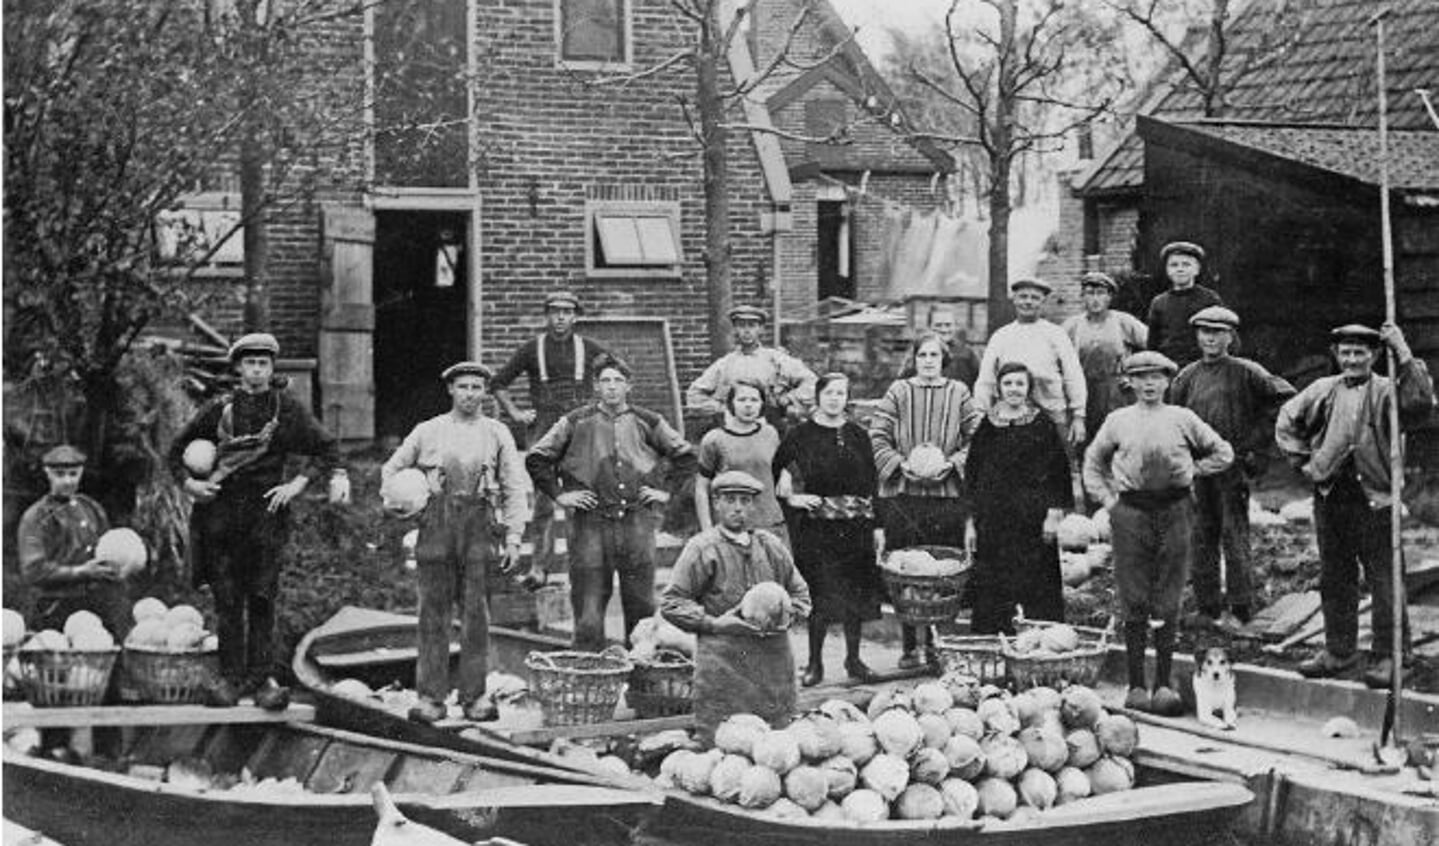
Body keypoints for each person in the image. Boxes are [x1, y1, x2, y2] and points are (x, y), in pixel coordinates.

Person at [171, 333, 349, 706]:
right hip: (220, 519)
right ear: (238, 368)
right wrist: (191, 486)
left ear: (272, 368)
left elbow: (327, 448)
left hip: (265, 518)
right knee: (228, 601)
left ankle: (263, 680)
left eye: (264, 363)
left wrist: (297, 485)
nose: (257, 370)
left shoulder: (286, 410)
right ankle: (231, 679)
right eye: (250, 363)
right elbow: (174, 452)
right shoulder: (219, 409)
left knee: (263, 598)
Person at [1276, 323, 1435, 688]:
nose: (1351, 359)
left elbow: (1421, 403)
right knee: (1335, 577)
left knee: (1384, 580)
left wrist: (1405, 353)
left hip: (1376, 499)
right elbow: (1287, 420)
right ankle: (1339, 651)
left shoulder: (1387, 390)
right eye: (1345, 353)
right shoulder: (1322, 391)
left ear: (1374, 355)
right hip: (1332, 496)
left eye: (1359, 353)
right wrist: (1304, 463)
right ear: (1336, 355)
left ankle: (1392, 656)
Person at [381, 361, 531, 724]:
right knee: (433, 614)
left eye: (477, 388)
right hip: (437, 525)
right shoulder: (428, 430)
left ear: (484, 392)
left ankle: (475, 697)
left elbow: (514, 485)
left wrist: (513, 536)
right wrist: (408, 501)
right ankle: (431, 698)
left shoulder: (497, 433)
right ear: (450, 390)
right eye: (462, 387)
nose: (469, 394)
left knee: (476, 614)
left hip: (479, 525)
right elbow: (391, 471)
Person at [1084, 351, 1233, 716]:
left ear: (1168, 382)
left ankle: (1164, 683)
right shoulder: (1118, 420)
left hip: (1175, 510)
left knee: (1168, 594)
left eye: (1157, 377)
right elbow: (1092, 463)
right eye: (1141, 377)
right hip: (1131, 511)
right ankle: (1136, 684)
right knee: (1134, 594)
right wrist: (1108, 502)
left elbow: (1223, 452)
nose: (1149, 384)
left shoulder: (1183, 418)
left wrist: (1192, 470)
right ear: (1129, 383)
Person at [527, 354, 697, 651]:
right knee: (589, 610)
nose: (612, 387)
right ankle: (589, 684)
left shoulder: (648, 421)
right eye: (605, 380)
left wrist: (666, 493)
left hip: (636, 525)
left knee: (641, 608)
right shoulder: (576, 420)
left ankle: (641, 685)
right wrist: (560, 495)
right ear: (596, 386)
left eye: (618, 381)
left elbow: (686, 458)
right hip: (589, 525)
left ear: (629, 386)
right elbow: (537, 459)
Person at [660, 470, 811, 742]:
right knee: (726, 748)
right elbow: (672, 602)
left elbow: (800, 593)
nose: (738, 508)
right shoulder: (702, 548)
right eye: (730, 500)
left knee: (776, 748)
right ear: (716, 503)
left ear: (754, 505)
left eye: (745, 500)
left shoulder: (771, 546)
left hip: (773, 670)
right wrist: (714, 623)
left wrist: (786, 616)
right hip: (723, 669)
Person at [1170, 306, 1296, 629]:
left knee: (1233, 534)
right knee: (1201, 536)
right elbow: (1173, 420)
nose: (1211, 338)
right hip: (1198, 469)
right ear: (1197, 335)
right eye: (1204, 331)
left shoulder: (1247, 372)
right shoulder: (1187, 377)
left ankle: (1241, 607)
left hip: (1233, 467)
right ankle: (1208, 607)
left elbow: (1285, 401)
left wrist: (1258, 445)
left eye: (1218, 332)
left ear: (1230, 336)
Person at [870, 332, 983, 669]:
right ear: (914, 359)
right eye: (923, 355)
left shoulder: (959, 392)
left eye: (935, 355)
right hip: (905, 497)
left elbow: (976, 437)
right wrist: (901, 465)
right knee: (906, 571)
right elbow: (878, 434)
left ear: (943, 360)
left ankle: (938, 647)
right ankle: (908, 647)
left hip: (946, 496)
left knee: (941, 574)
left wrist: (951, 465)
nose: (929, 361)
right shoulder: (899, 391)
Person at [490, 290, 611, 581]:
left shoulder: (590, 348)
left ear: (575, 316)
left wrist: (603, 408)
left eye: (567, 312)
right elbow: (498, 383)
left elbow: (620, 374)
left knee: (579, 497)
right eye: (555, 311)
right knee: (545, 499)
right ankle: (539, 568)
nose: (560, 317)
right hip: (543, 427)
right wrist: (516, 414)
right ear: (547, 315)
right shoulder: (533, 349)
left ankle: (578, 569)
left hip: (579, 427)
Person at [773, 372, 884, 686]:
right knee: (820, 596)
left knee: (854, 597)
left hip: (856, 527)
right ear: (818, 396)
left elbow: (872, 483)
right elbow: (775, 467)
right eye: (830, 392)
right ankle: (815, 664)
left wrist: (878, 526)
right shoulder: (801, 434)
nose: (835, 398)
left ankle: (854, 659)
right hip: (818, 530)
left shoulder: (859, 434)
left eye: (841, 393)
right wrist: (792, 496)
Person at [965, 363, 1072, 634]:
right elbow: (973, 474)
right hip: (994, 521)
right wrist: (970, 521)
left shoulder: (1042, 424)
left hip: (1033, 522)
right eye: (1008, 383)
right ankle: (992, 650)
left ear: (1028, 389)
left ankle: (1039, 650)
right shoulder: (987, 425)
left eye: (1020, 384)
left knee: (1038, 586)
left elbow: (1059, 472)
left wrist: (1053, 514)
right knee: (993, 588)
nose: (1014, 389)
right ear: (999, 388)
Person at [17, 445, 128, 638]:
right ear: (47, 473)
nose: (67, 481)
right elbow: (33, 570)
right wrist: (82, 571)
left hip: (94, 607)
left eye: (73, 474)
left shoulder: (91, 508)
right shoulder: (36, 517)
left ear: (81, 473)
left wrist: (118, 565)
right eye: (60, 474)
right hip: (53, 608)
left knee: (106, 658)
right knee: (58, 664)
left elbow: (107, 550)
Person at [974, 278, 1088, 451]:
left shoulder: (1056, 334)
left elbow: (1073, 375)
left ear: (1043, 301)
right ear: (1014, 299)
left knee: (1059, 462)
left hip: (1051, 409)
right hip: (1010, 412)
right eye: (1023, 297)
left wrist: (1079, 415)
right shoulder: (1001, 335)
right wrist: (981, 412)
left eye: (1034, 298)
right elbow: (986, 379)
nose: (1028, 302)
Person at [685, 305, 817, 428]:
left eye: (752, 325)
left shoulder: (777, 360)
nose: (747, 331)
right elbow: (694, 395)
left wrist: (788, 399)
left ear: (760, 329)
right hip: (733, 427)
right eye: (741, 326)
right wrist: (722, 408)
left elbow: (813, 383)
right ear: (735, 329)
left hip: (771, 425)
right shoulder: (725, 364)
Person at [1061, 272, 1147, 454]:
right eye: (1090, 293)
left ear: (1109, 297)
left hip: (1117, 392)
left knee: (1119, 443)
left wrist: (1135, 376)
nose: (1095, 299)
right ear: (1082, 297)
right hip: (1084, 392)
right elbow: (1058, 359)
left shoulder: (1124, 322)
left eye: (1101, 293)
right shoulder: (1072, 325)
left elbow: (1152, 346)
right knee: (1086, 446)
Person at [695, 380, 786, 546]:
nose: (748, 406)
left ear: (761, 404)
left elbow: (778, 467)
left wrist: (785, 476)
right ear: (731, 404)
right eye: (742, 400)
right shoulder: (714, 439)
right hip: (731, 527)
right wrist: (707, 530)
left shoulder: (770, 434)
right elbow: (701, 487)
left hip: (769, 524)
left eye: (754, 400)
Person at [1146, 241, 1224, 368]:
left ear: (1197, 269)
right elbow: (1152, 343)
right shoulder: (1159, 302)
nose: (1180, 269)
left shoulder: (1209, 298)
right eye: (1174, 265)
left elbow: (1226, 335)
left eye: (1186, 264)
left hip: (1203, 366)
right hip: (1169, 366)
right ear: (1167, 270)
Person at [899, 304, 981, 388]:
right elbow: (902, 386)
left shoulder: (967, 355)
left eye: (948, 325)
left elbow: (980, 386)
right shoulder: (918, 352)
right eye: (938, 325)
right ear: (929, 326)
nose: (944, 330)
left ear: (955, 326)